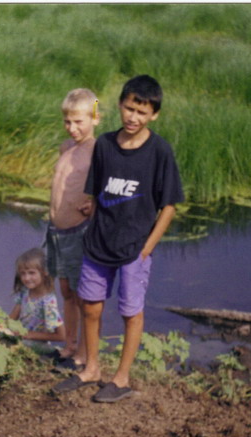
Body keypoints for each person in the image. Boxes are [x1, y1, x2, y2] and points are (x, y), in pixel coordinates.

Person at [52, 74, 185, 403]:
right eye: (128, 109)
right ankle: (91, 368)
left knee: (130, 312)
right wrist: (91, 207)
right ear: (120, 106)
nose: (133, 117)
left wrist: (147, 248)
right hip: (97, 244)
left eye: (142, 112)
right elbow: (97, 192)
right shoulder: (106, 145)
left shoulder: (159, 152)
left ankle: (122, 378)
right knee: (91, 307)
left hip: (132, 249)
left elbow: (169, 206)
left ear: (154, 114)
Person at [45, 88, 100, 370]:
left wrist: (97, 203)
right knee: (65, 289)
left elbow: (107, 187)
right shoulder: (66, 147)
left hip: (79, 231)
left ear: (95, 118)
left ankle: (84, 355)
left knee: (82, 293)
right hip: (56, 230)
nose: (73, 128)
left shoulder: (98, 151)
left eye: (79, 122)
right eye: (68, 122)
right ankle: (70, 344)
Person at [9, 247, 66, 354]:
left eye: (31, 273)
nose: (26, 278)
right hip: (21, 336)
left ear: (44, 272)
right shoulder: (25, 292)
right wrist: (0, 327)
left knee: (20, 344)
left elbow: (61, 336)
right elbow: (12, 318)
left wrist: (29, 334)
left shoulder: (48, 302)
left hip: (37, 343)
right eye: (23, 273)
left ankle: (55, 352)